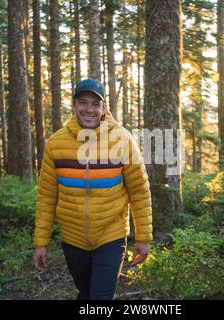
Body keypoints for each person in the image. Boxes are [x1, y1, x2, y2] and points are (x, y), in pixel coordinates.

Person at [33, 78, 153, 300]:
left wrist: (143, 237)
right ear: (74, 105)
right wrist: (41, 242)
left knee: (99, 298)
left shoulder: (122, 140)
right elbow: (47, 196)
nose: (89, 109)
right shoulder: (55, 144)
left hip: (111, 235)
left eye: (95, 104)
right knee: (86, 294)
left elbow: (139, 190)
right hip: (72, 238)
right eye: (83, 102)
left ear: (104, 108)